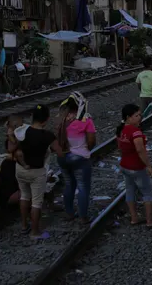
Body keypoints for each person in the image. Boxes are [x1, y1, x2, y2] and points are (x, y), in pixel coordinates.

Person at [14, 105, 64, 238]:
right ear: (46, 119)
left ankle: (24, 226)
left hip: (20, 169)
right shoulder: (47, 136)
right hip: (37, 172)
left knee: (24, 196)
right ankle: (35, 232)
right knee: (36, 202)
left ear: (33, 117)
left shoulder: (23, 130)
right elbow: (59, 152)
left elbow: (15, 146)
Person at [116, 104, 152, 228]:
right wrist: (148, 165)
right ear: (128, 117)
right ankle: (150, 221)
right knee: (148, 193)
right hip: (137, 167)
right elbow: (140, 150)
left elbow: (120, 148)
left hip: (125, 166)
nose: (139, 118)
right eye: (136, 116)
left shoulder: (120, 130)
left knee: (130, 191)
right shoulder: (135, 132)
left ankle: (134, 218)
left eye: (139, 115)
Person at [58, 94, 96, 224]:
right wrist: (85, 149)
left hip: (63, 157)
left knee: (69, 185)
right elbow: (91, 141)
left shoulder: (62, 119)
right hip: (80, 158)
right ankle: (83, 217)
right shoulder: (85, 120)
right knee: (83, 187)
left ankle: (69, 213)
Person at [0, 115, 23, 208]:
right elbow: (11, 148)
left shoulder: (16, 134)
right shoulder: (14, 135)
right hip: (13, 167)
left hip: (13, 165)